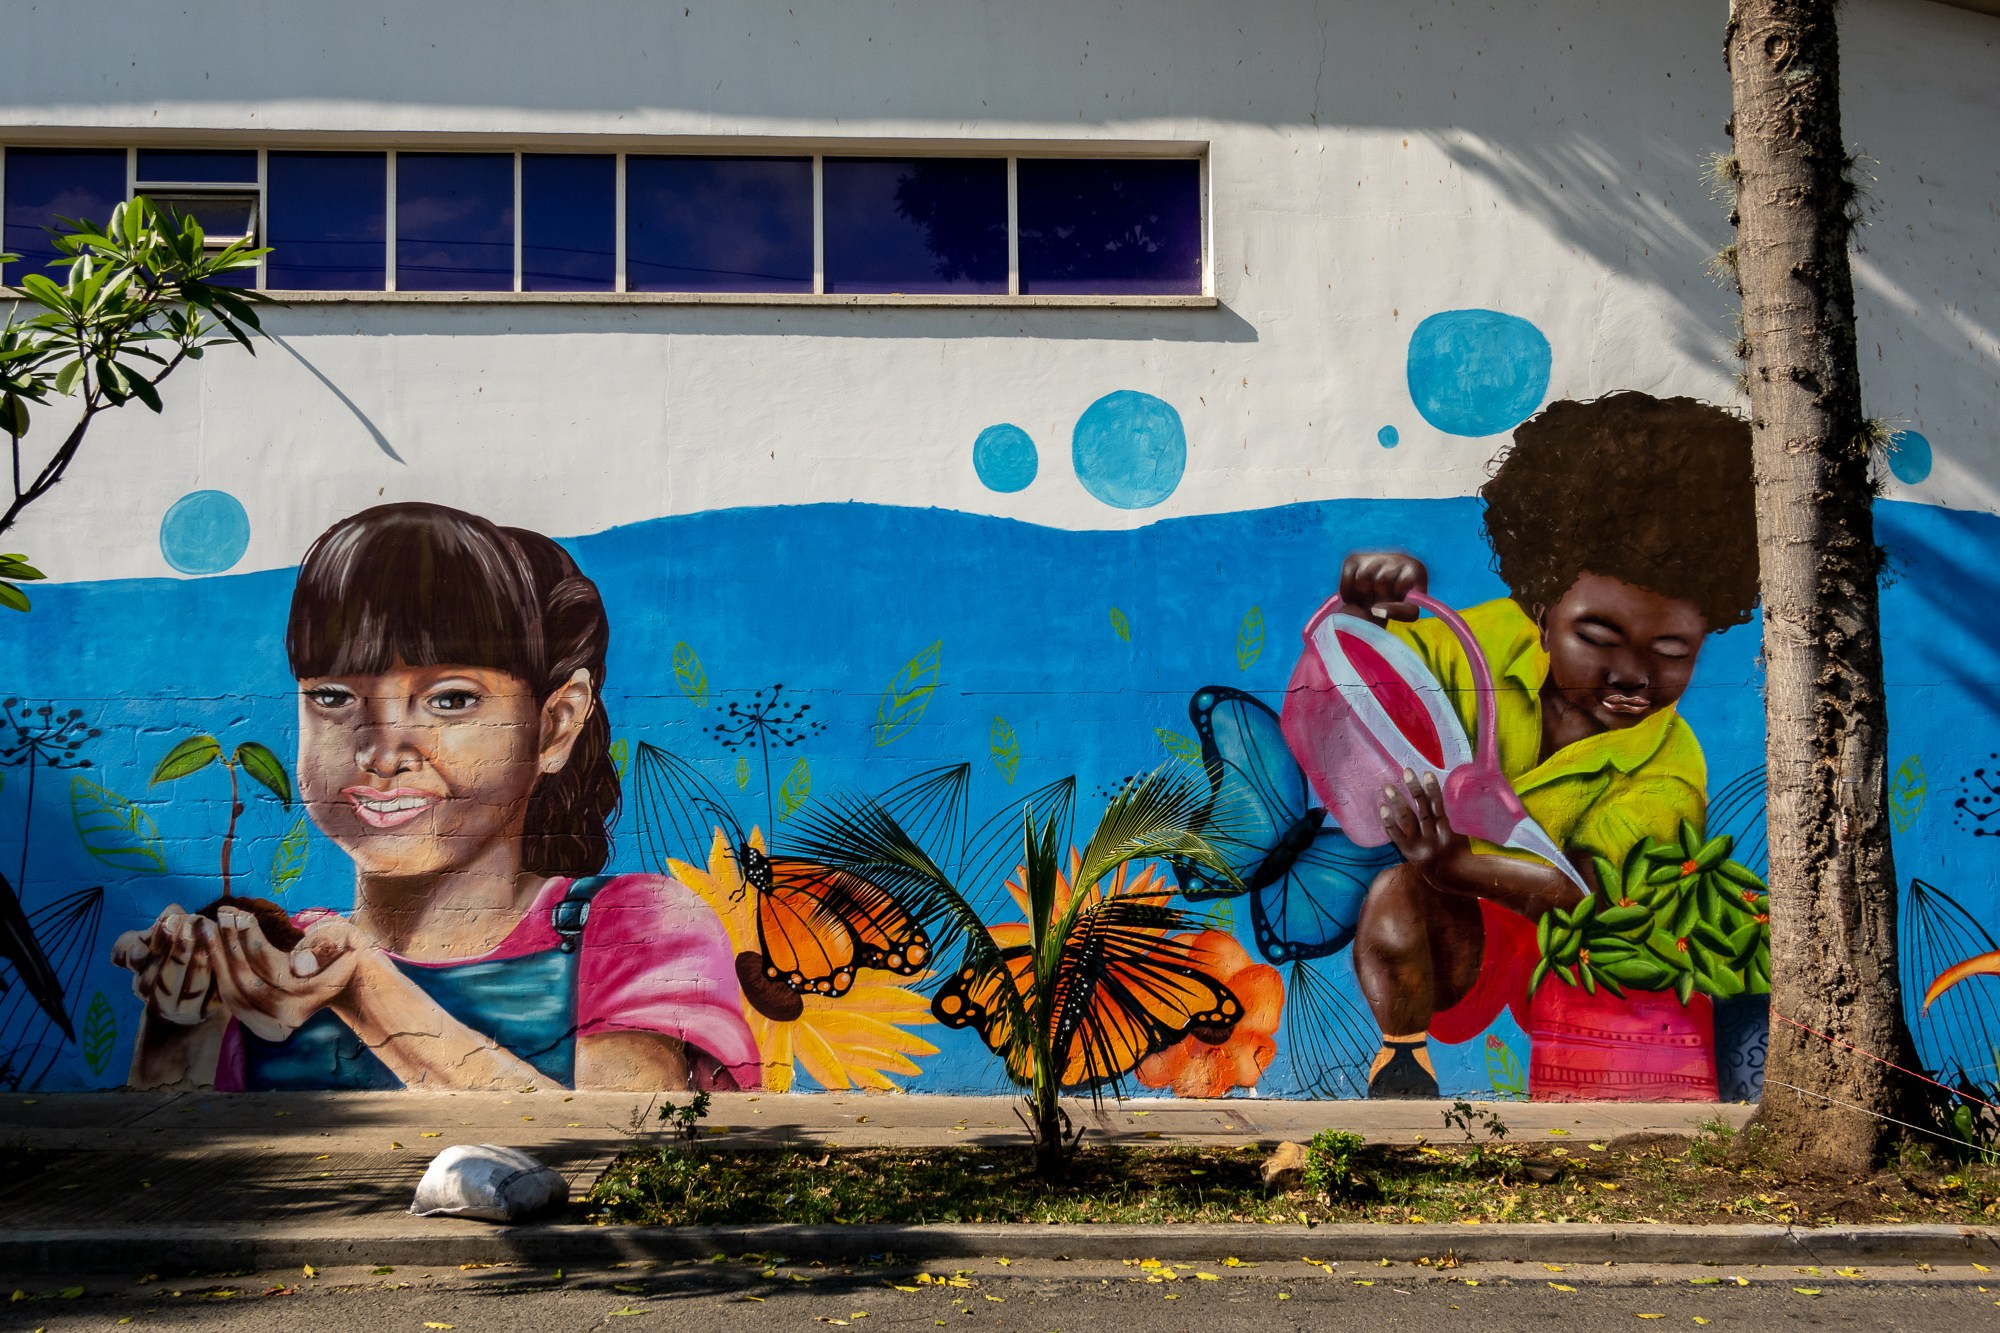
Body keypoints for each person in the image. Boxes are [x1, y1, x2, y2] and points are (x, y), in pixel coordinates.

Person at [113, 502, 759, 1091]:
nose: (381, 750)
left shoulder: (634, 929)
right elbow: (170, 1190)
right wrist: (183, 1019)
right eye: (333, 698)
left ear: (556, 725)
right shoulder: (278, 959)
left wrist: (368, 990)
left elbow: (628, 1148)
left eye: (450, 699)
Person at [1334, 392, 1761, 1098]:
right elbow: (1384, 686)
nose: (1633, 675)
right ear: (1540, 608)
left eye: (1671, 651)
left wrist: (1460, 865)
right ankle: (1402, 1059)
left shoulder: (1671, 764)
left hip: (1582, 955)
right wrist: (1365, 612)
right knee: (1393, 897)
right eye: (1598, 637)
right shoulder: (1481, 643)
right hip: (1463, 932)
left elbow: (1588, 892)